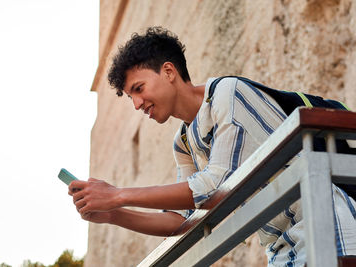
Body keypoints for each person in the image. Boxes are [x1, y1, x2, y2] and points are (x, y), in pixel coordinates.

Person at [69, 27, 356, 266]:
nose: (136, 104)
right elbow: (179, 221)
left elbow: (214, 184)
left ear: (169, 71)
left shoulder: (227, 94)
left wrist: (118, 195)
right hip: (284, 250)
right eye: (130, 96)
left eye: (139, 89)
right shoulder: (183, 143)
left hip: (330, 228)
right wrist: (114, 214)